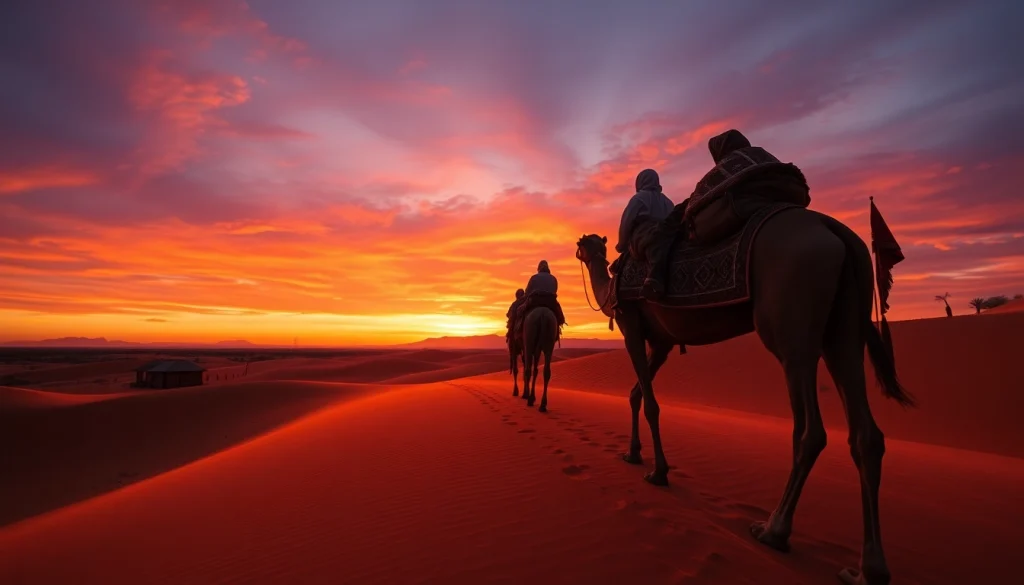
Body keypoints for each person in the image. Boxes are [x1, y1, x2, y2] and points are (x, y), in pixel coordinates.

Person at [612, 169, 676, 299]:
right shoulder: (668, 202)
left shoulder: (639, 199)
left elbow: (627, 222)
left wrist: (621, 244)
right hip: (669, 237)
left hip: (645, 236)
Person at [517, 260, 566, 337]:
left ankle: (519, 333)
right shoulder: (553, 279)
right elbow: (554, 291)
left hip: (535, 301)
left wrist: (523, 301)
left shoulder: (534, 278)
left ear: (538, 268)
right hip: (550, 302)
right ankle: (556, 333)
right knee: (560, 318)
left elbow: (527, 293)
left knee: (520, 313)